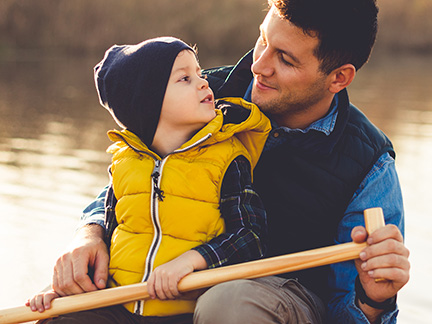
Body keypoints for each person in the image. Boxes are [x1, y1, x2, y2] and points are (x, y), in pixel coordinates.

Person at [33, 0, 411, 323]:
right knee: (60, 306)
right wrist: (90, 234)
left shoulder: (370, 165)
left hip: (267, 303)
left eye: (285, 59)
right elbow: (134, 179)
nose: (259, 65)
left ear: (338, 78)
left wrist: (374, 300)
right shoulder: (200, 96)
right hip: (158, 295)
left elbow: (347, 312)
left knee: (229, 302)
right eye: (263, 39)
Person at [26, 37, 271, 323]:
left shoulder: (227, 158)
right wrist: (68, 290)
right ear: (149, 103)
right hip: (119, 306)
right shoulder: (123, 163)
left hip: (185, 310)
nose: (205, 83)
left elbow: (251, 238)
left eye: (200, 73)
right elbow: (110, 237)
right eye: (185, 78)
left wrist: (191, 261)